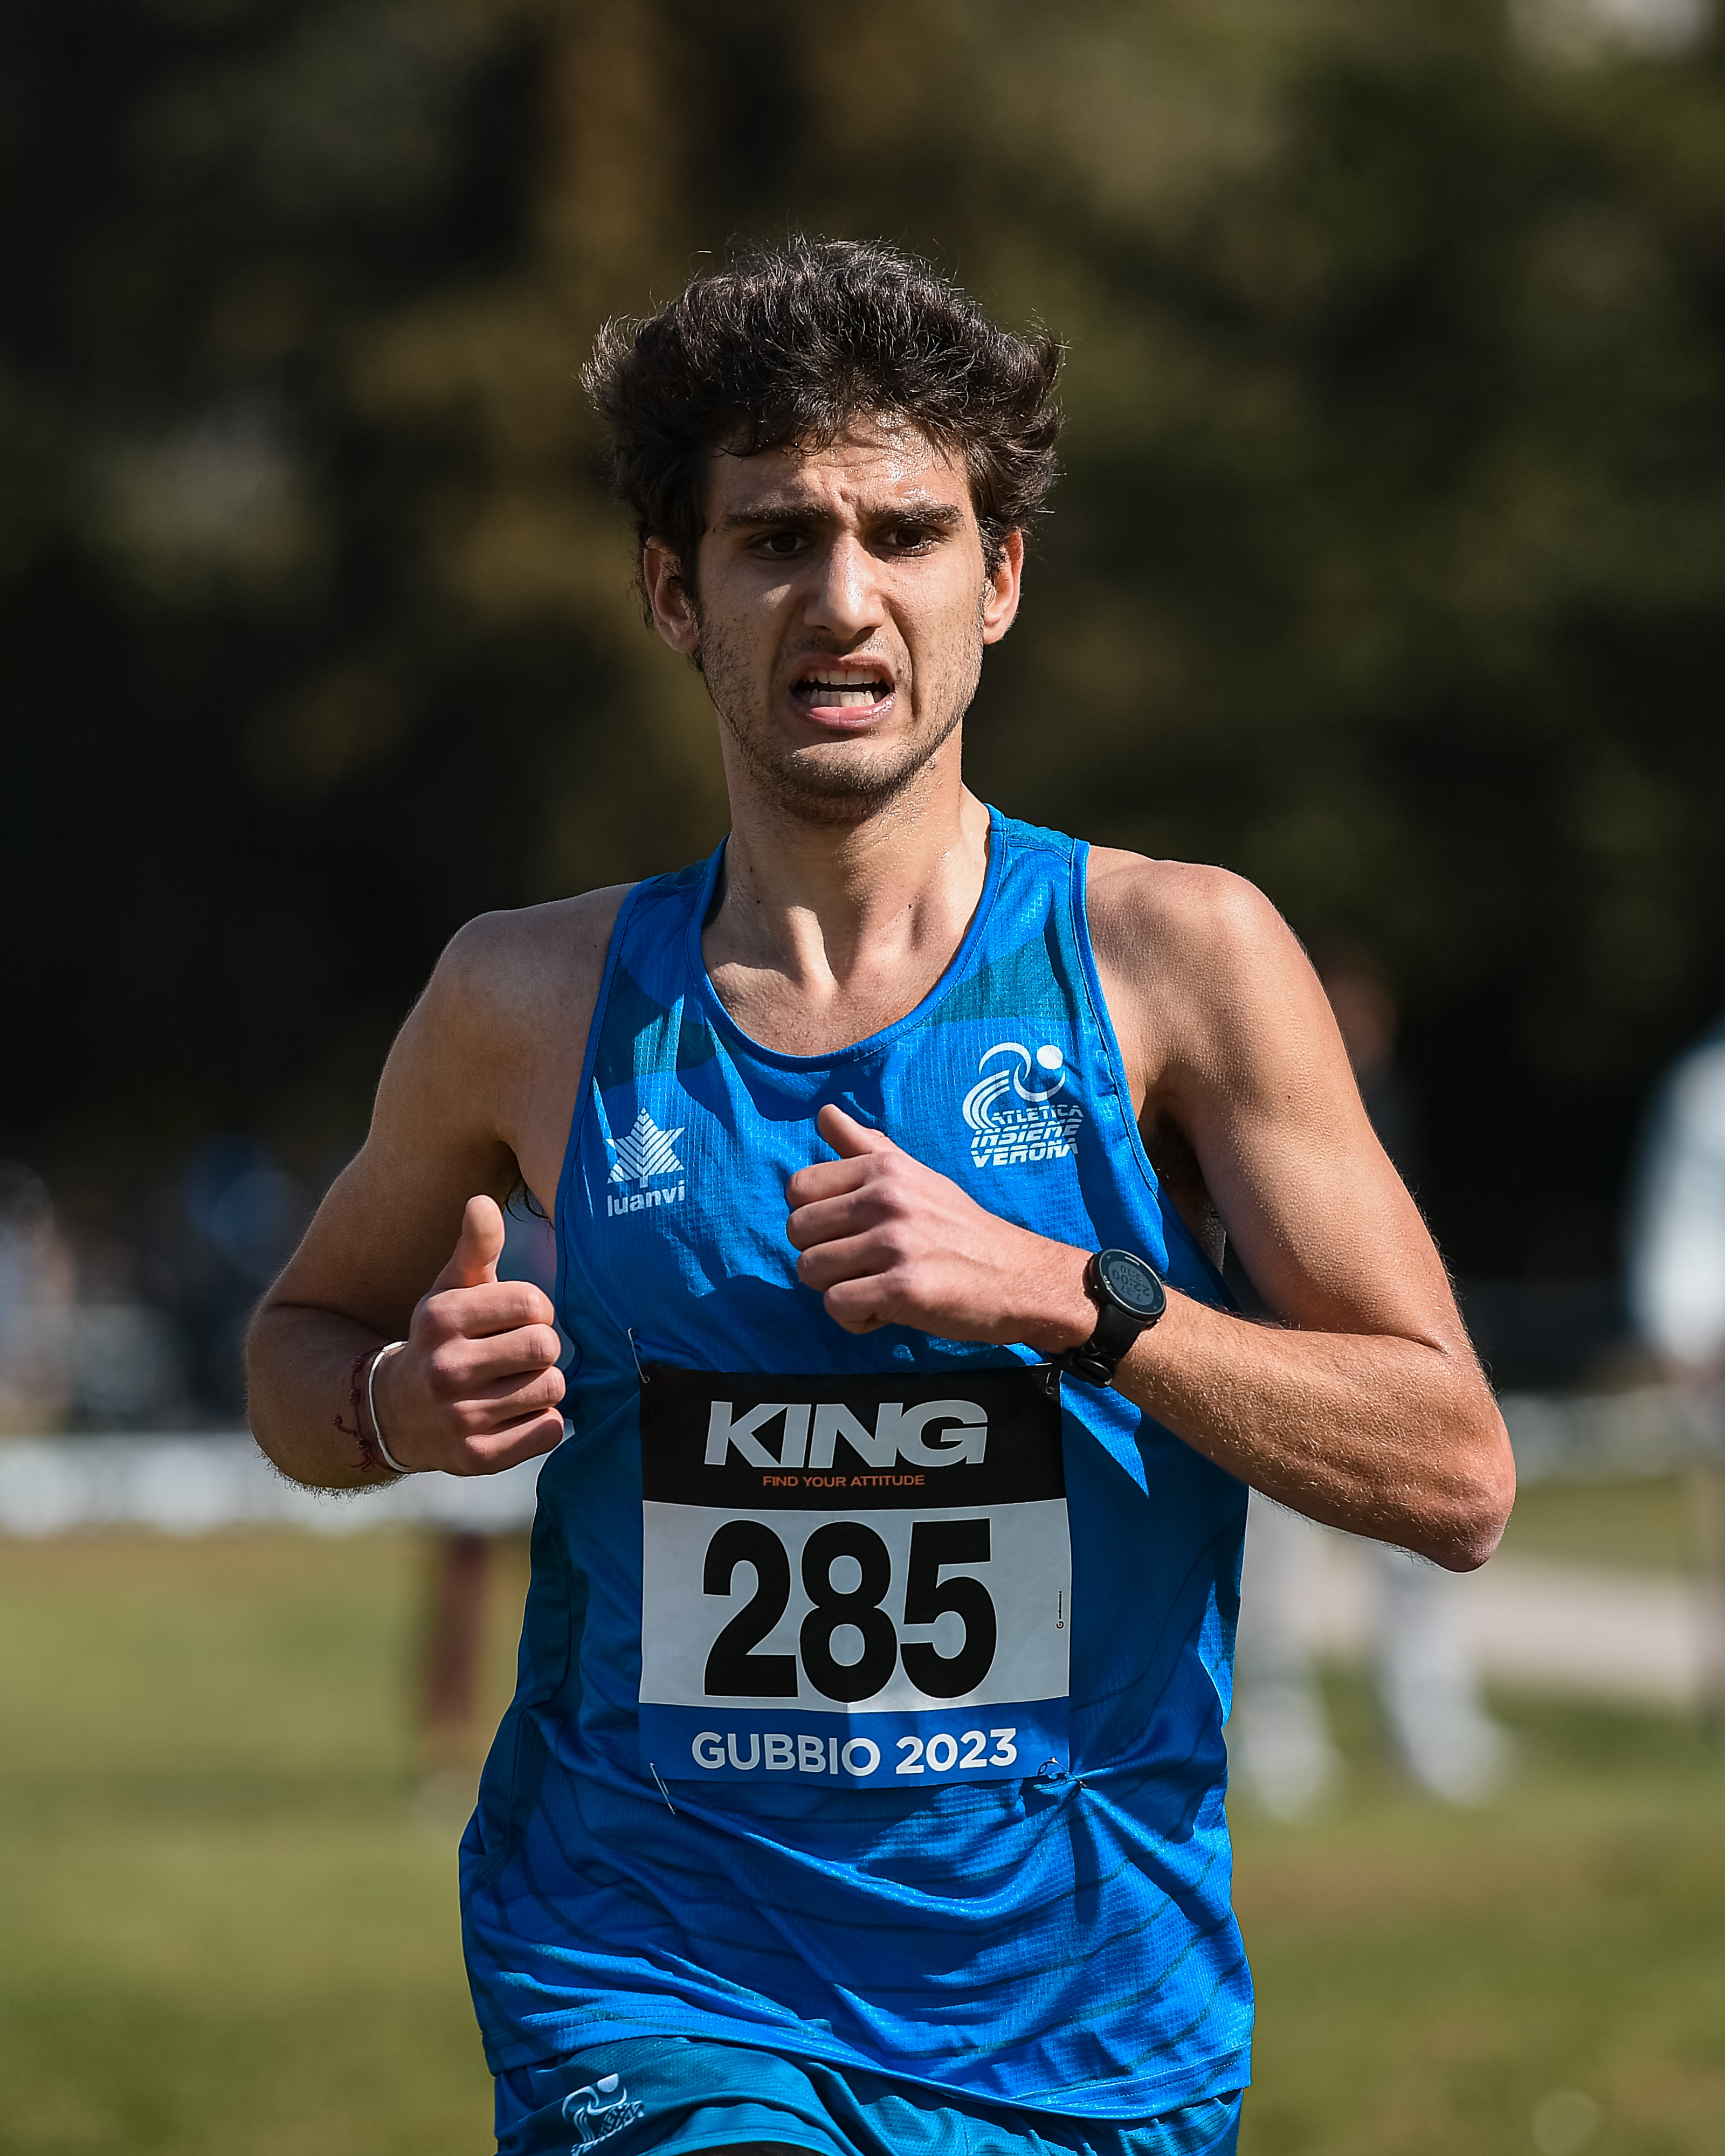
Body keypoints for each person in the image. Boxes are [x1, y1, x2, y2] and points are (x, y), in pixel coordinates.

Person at [246, 240, 1514, 2156]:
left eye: (907, 534)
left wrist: (1079, 1297)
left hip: (1082, 2019)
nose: (844, 599)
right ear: (674, 592)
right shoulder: (527, 1001)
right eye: (776, 540)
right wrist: (393, 1408)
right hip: (651, 1970)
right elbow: (296, 1346)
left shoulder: (1175, 965)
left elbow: (1455, 1472)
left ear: (998, 582)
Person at [1231, 955, 1511, 1813]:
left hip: (1378, 1371)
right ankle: (1277, 1747)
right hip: (1277, 1361)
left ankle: (1431, 1731)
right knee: (1271, 1579)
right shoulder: (1245, 1098)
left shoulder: (1388, 1104)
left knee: (1416, 1565)